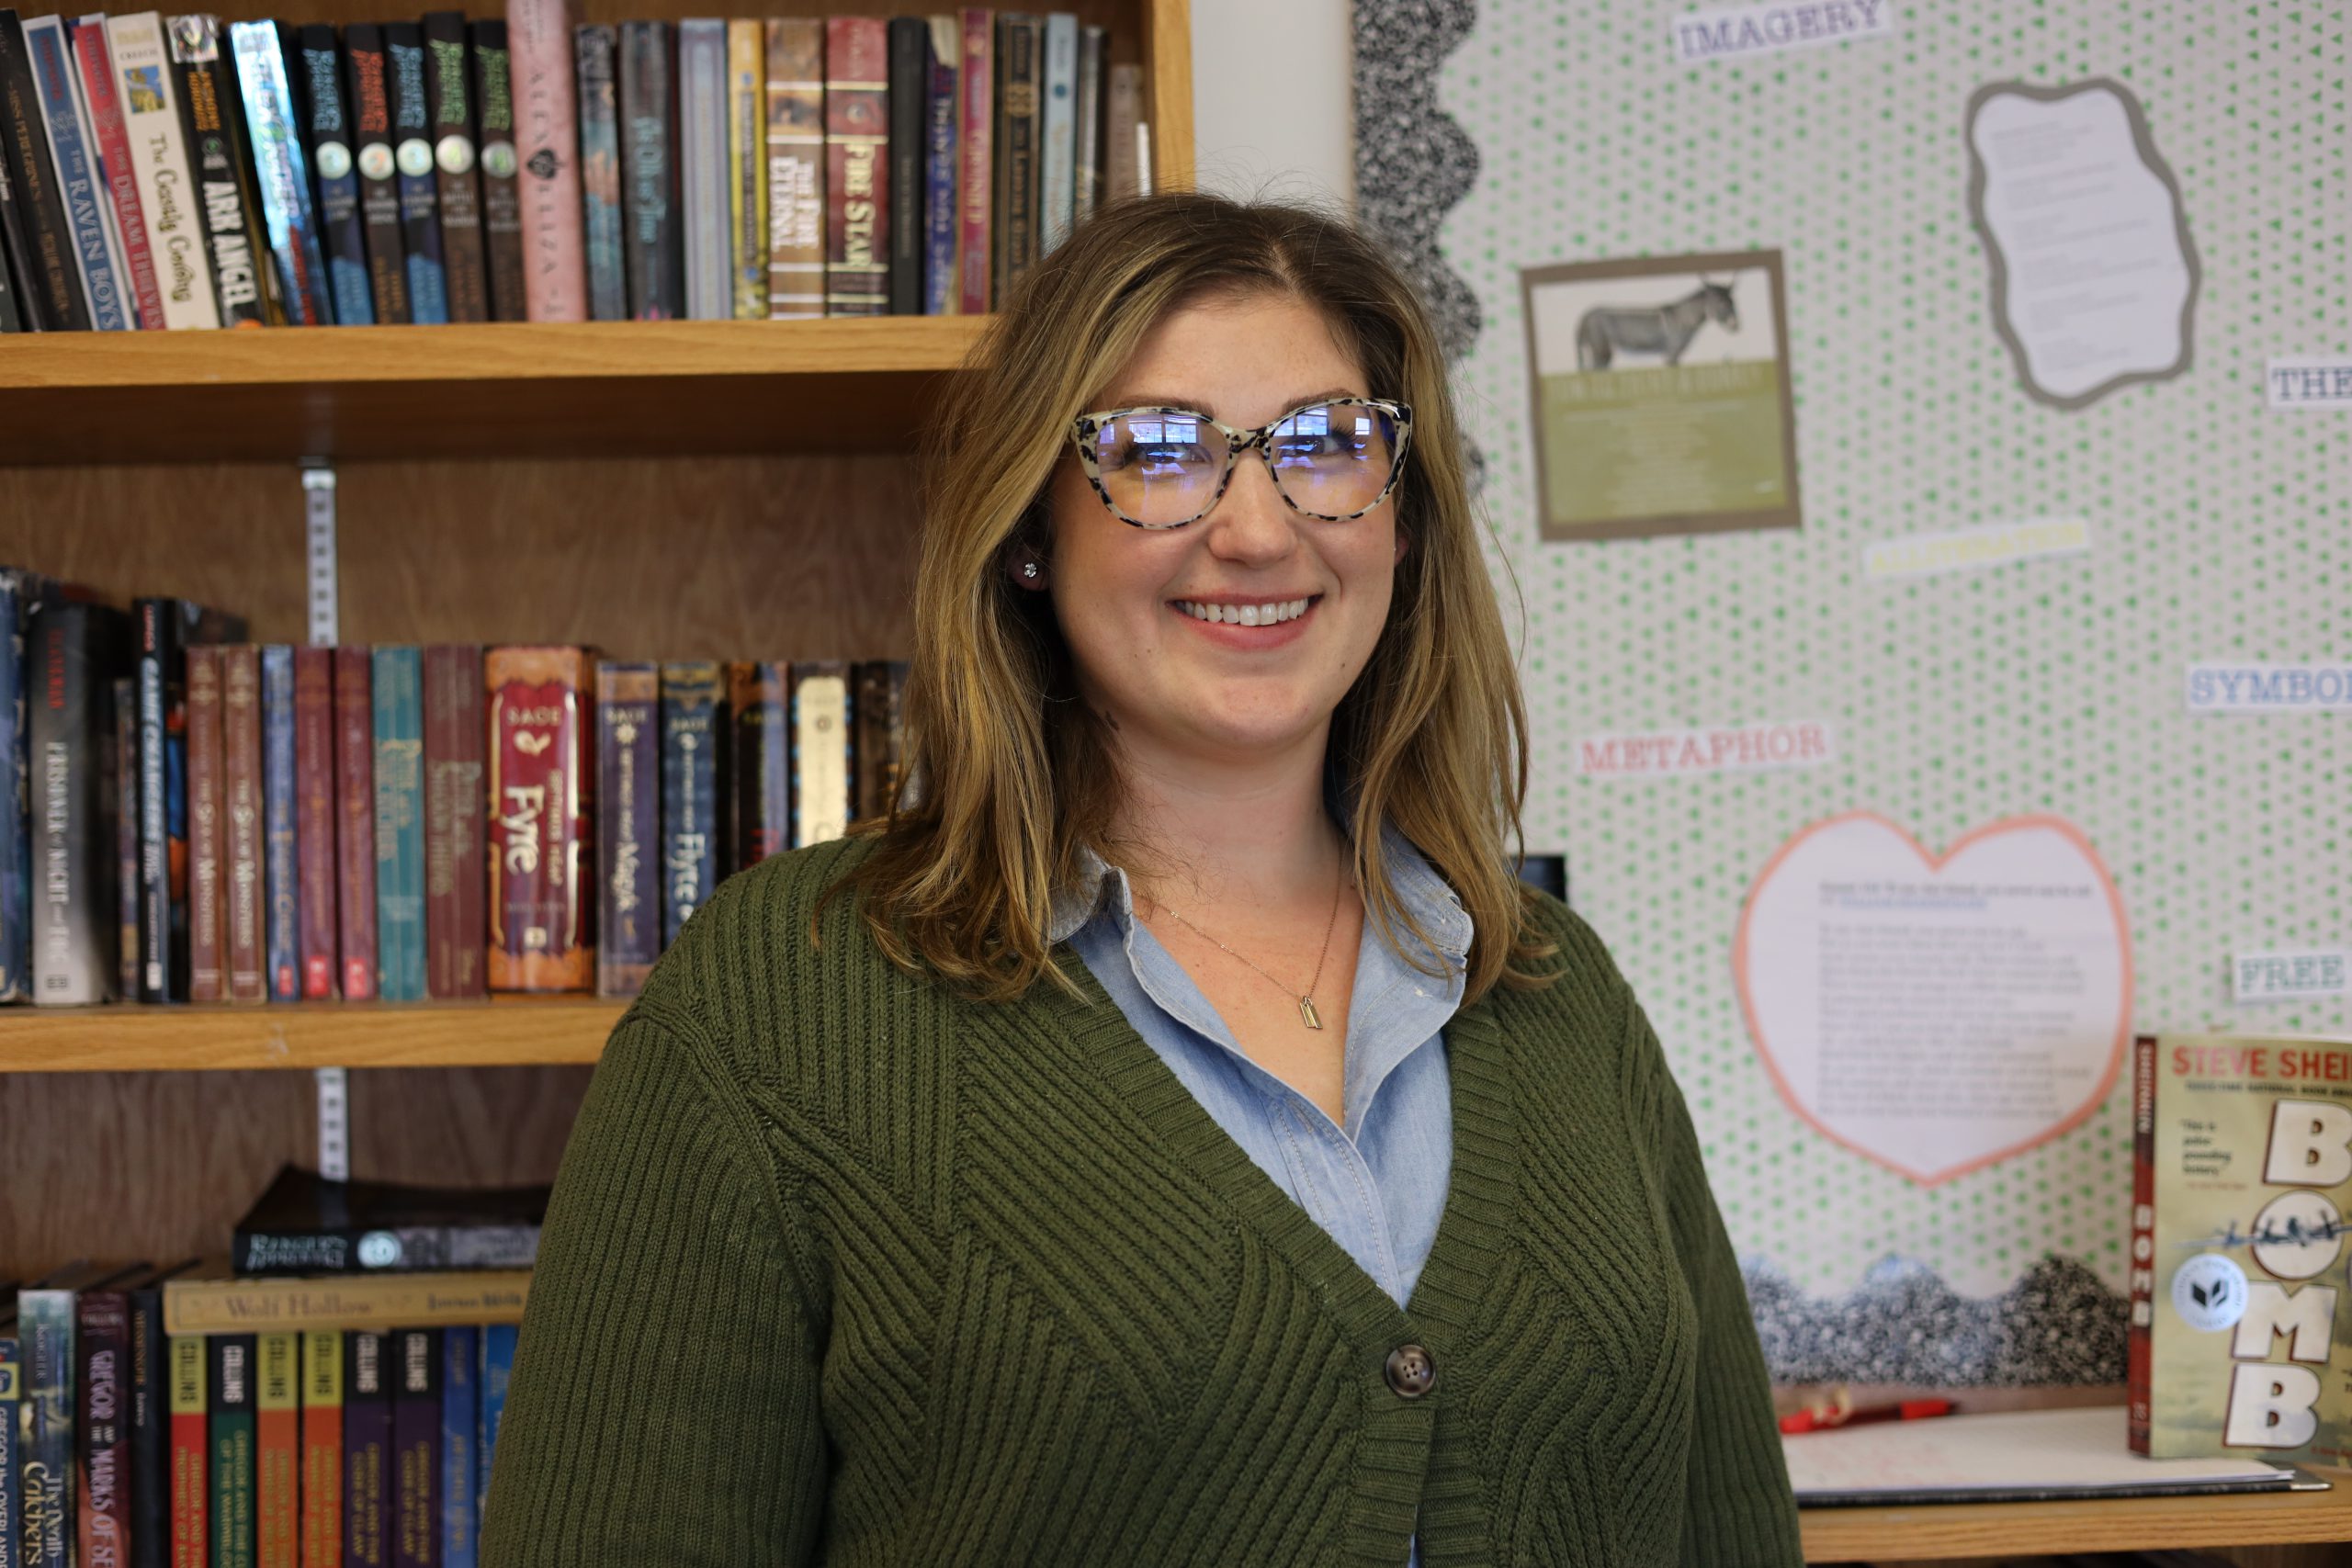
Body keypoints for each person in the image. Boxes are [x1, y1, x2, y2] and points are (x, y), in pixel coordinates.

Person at [479, 193, 1801, 1567]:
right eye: (1160, 452)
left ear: (1401, 525)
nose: (1258, 529)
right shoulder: (786, 1003)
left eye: (1328, 445)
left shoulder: (1554, 992)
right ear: (1033, 530)